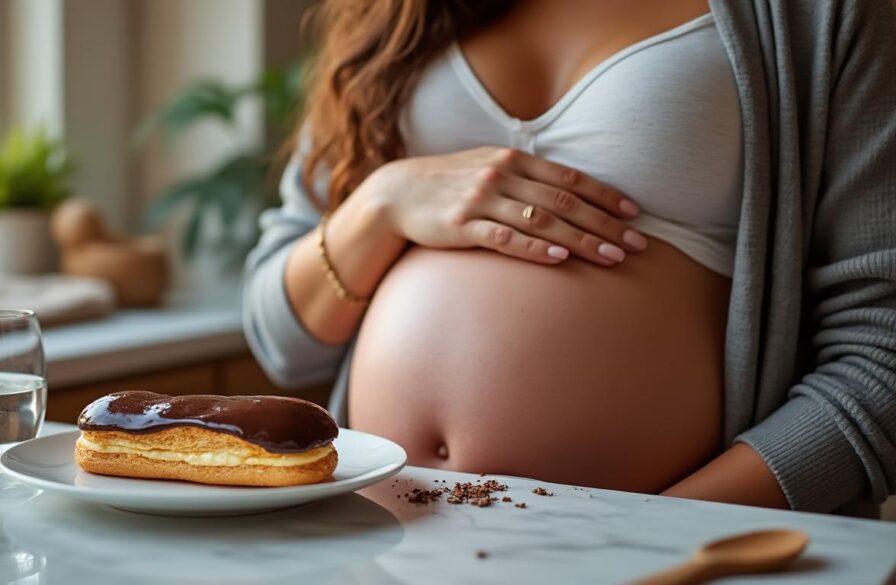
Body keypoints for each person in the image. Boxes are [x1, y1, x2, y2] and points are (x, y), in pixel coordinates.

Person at [243, 0, 896, 516]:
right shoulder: (389, 19)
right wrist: (381, 204)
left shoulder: (819, 14)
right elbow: (282, 340)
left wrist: (659, 538)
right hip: (382, 535)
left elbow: (882, 357)